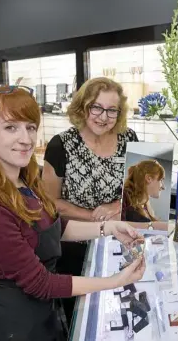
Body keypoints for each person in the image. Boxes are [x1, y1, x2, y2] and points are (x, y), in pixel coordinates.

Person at [0, 84, 145, 341]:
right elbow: (41, 283)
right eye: (11, 127)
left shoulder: (23, 181)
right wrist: (115, 281)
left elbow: (52, 228)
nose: (25, 138)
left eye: (30, 127)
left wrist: (109, 228)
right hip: (13, 326)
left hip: (42, 316)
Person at [41, 77, 139, 324]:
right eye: (96, 107)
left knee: (121, 310)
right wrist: (96, 216)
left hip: (121, 243)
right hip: (75, 247)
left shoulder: (130, 139)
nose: (103, 117)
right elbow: (49, 203)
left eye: (111, 110)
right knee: (83, 318)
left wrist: (117, 207)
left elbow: (138, 192)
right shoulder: (61, 145)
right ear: (83, 107)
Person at [121, 159, 167, 225]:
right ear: (149, 178)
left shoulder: (145, 205)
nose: (163, 187)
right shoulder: (123, 197)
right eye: (161, 180)